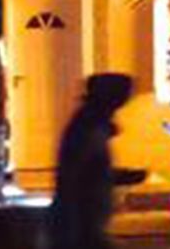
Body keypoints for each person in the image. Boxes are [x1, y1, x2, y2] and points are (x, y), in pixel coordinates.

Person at [47, 73, 136, 249]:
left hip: (85, 221)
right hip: (81, 221)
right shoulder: (89, 127)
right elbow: (81, 172)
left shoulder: (90, 123)